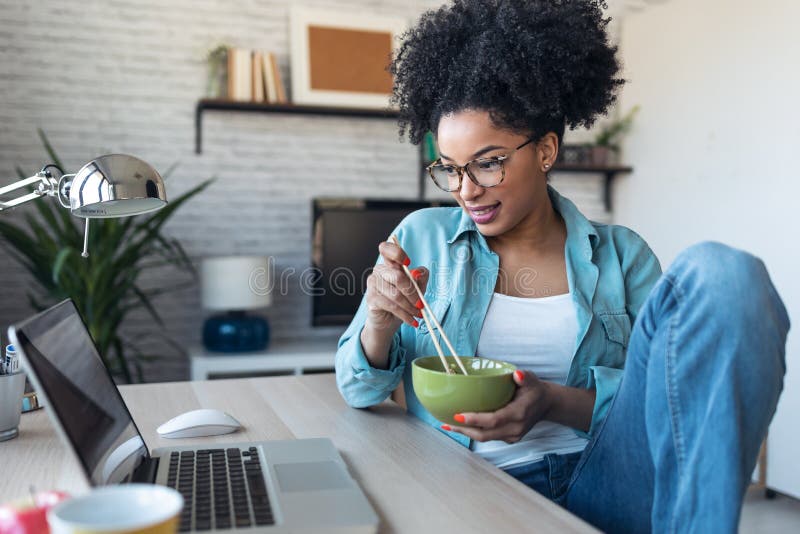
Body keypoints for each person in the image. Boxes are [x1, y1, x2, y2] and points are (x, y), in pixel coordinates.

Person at [334, 1, 790, 531]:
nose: (466, 190)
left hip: (606, 480)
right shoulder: (419, 240)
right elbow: (357, 391)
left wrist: (551, 401)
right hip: (465, 484)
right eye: (451, 169)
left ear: (546, 149)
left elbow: (664, 409)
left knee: (726, 276)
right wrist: (379, 321)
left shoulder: (623, 256)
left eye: (488, 162)